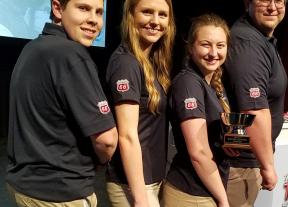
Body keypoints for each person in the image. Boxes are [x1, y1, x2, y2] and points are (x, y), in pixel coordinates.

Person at [6, 0, 118, 206]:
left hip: (24, 185)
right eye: (83, 8)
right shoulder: (71, 55)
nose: (93, 20)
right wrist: (102, 161)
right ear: (57, 8)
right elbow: (107, 140)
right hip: (59, 193)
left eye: (99, 12)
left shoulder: (32, 47)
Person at [104, 0, 175, 206]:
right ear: (130, 15)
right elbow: (127, 135)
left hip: (151, 179)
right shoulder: (126, 63)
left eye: (162, 15)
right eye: (146, 12)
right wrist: (140, 198)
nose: (155, 21)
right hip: (134, 185)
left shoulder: (151, 61)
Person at [161, 13, 231, 207]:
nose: (213, 52)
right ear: (191, 47)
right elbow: (198, 152)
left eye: (220, 45)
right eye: (206, 44)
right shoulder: (187, 83)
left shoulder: (214, 83)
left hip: (206, 189)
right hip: (191, 194)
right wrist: (223, 200)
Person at [223, 0, 288, 206]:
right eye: (263, 0)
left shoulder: (261, 39)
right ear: (247, 3)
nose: (272, 7)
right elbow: (254, 110)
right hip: (239, 164)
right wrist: (268, 166)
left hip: (248, 161)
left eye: (278, 0)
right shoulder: (248, 41)